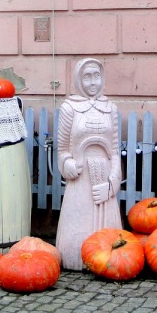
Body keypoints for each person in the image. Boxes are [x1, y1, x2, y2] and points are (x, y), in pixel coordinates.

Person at [56, 58, 123, 271]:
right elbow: (62, 150)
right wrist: (68, 165)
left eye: (96, 76)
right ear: (78, 79)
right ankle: (74, 257)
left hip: (103, 181)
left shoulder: (110, 109)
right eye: (87, 77)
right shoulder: (69, 109)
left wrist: (111, 186)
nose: (93, 82)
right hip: (80, 182)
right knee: (76, 238)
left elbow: (114, 152)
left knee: (109, 242)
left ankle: (107, 261)